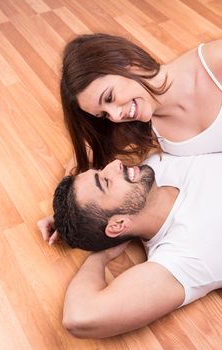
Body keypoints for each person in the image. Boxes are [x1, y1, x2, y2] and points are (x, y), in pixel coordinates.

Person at [38, 33, 222, 242]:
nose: (116, 116)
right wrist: (70, 217)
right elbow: (84, 156)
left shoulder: (215, 64)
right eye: (104, 114)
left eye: (109, 97)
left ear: (125, 62)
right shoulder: (140, 125)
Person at [45, 153, 222, 338]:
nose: (116, 164)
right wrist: (101, 256)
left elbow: (84, 150)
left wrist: (63, 217)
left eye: (101, 170)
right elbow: (79, 317)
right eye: (105, 182)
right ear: (118, 224)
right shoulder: (183, 256)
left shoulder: (153, 166)